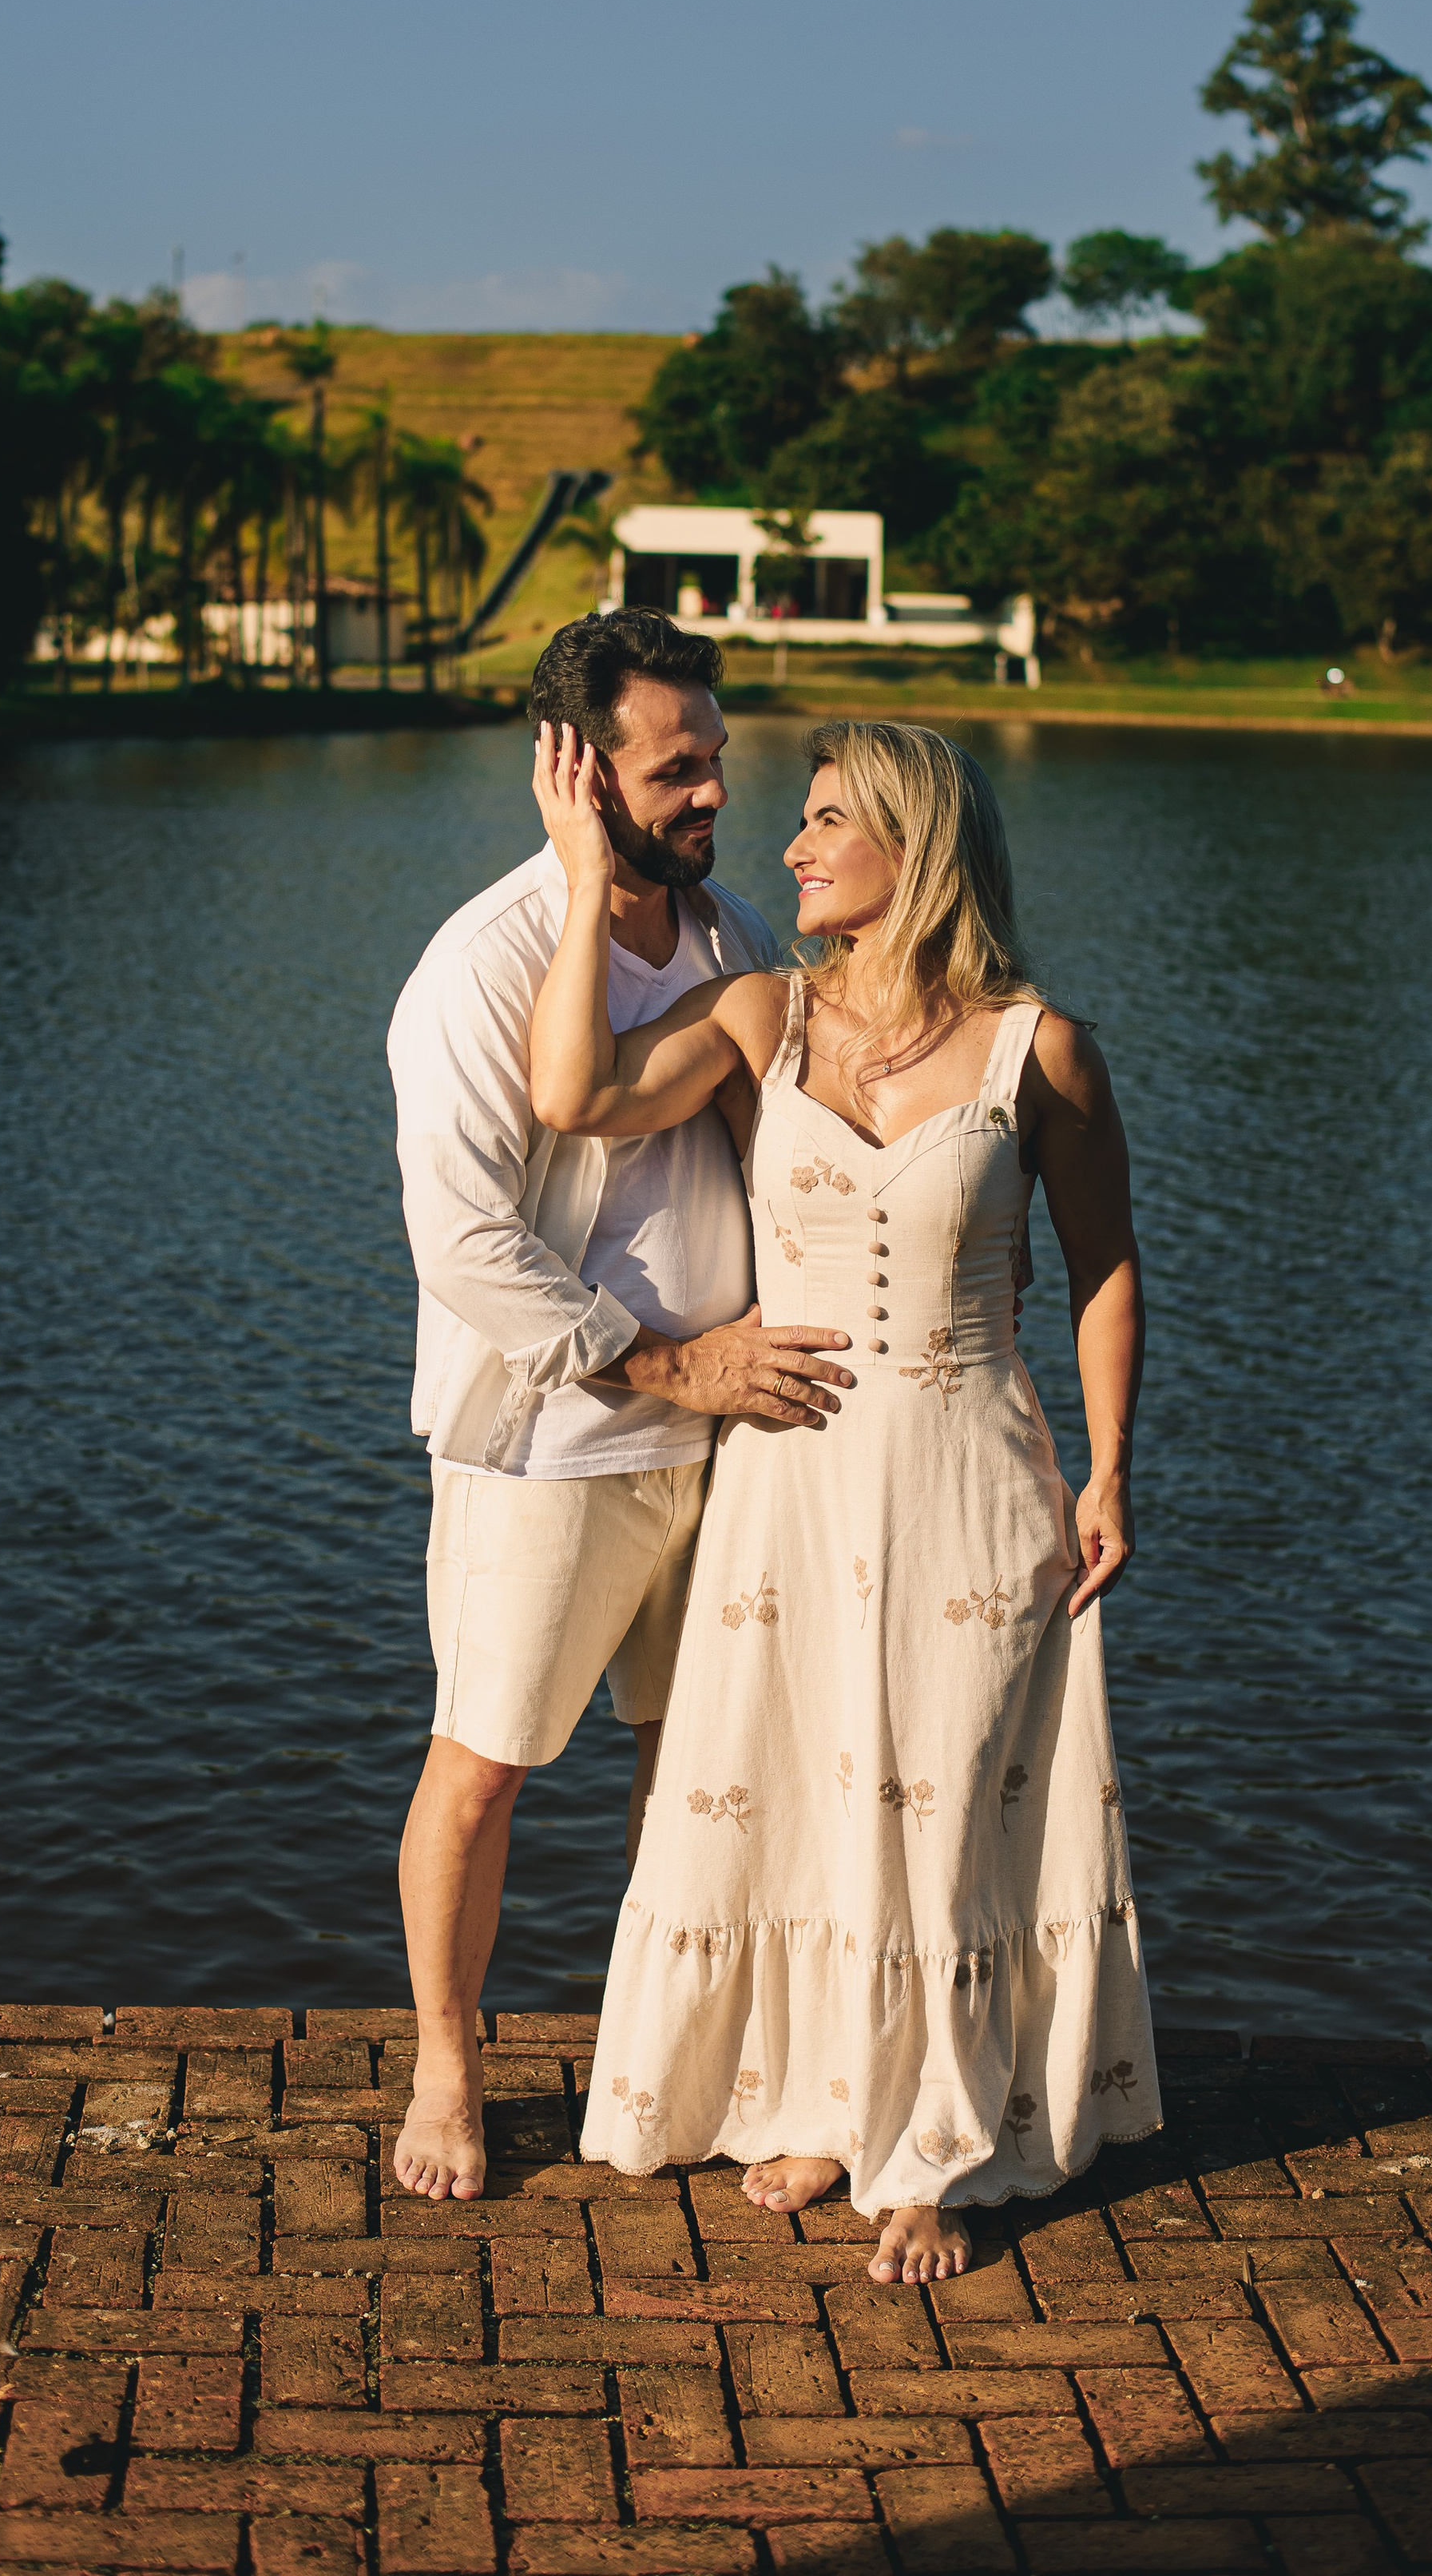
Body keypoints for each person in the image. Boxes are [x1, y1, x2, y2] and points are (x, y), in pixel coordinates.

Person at [531, 714, 1160, 2284]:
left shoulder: (1040, 1050)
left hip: (966, 1473)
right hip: (790, 1478)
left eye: (824, 822)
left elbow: (1103, 1274)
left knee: (940, 1805)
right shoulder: (761, 1017)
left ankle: (931, 2146)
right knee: (798, 1790)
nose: (789, 846)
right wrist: (571, 876)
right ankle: (816, 2099)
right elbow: (573, 1102)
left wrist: (1108, 1473)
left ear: (911, 846)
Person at [383, 609, 859, 2201]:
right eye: (674, 769)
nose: (710, 793)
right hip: (553, 1448)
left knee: (697, 1762)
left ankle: (669, 2052)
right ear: (575, 775)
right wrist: (663, 1363)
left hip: (730, 1444)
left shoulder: (734, 947)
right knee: (487, 1762)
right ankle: (449, 2075)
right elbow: (462, 1242)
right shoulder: (486, 960)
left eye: (717, 761)